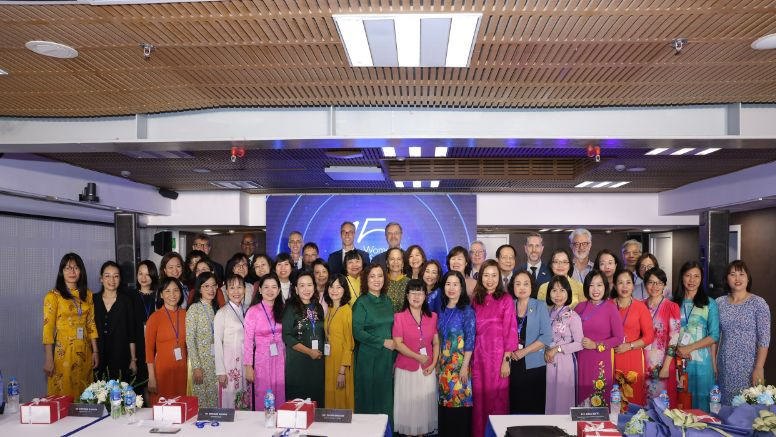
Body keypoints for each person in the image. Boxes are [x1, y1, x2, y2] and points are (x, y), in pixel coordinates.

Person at [471, 260, 518, 437]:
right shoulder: (476, 300)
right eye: (486, 275)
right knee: (479, 401)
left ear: (499, 278)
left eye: (494, 275)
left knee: (498, 401)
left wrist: (506, 361)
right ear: (480, 277)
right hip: (478, 359)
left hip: (498, 359)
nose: (489, 280)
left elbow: (510, 331)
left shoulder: (506, 299)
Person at [43, 253, 98, 399]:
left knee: (85, 394)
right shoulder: (53, 296)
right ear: (62, 271)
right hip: (63, 352)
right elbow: (48, 329)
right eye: (67, 268)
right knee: (64, 393)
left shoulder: (88, 295)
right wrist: (48, 358)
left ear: (81, 271)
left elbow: (91, 323)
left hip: (84, 351)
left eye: (76, 268)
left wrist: (95, 351)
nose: (72, 272)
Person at [717, 260, 771, 404]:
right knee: (724, 409)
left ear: (748, 278)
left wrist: (759, 368)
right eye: (732, 274)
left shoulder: (758, 303)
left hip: (749, 367)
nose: (737, 278)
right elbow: (714, 337)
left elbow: (764, 339)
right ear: (727, 278)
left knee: (747, 409)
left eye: (741, 274)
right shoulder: (719, 303)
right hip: (724, 366)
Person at [393, 279, 440, 436]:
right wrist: (418, 357)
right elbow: (398, 344)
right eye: (413, 293)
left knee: (423, 410)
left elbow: (436, 343)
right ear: (407, 296)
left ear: (425, 296)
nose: (416, 296)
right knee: (409, 410)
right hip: (406, 370)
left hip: (427, 370)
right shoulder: (399, 317)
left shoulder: (432, 317)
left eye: (420, 293)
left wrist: (433, 364)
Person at [672, 261, 719, 411]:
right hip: (676, 362)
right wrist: (678, 349)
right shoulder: (673, 303)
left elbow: (714, 336)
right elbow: (666, 333)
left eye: (696, 276)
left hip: (702, 364)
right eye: (688, 275)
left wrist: (689, 348)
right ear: (682, 277)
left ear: (701, 279)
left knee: (702, 407)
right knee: (678, 406)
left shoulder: (709, 304)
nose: (692, 280)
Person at [574, 270, 624, 406]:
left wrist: (596, 345)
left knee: (598, 399)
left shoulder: (611, 308)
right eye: (591, 285)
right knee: (581, 398)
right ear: (586, 287)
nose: (595, 289)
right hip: (581, 359)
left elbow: (619, 338)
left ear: (605, 287)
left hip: (600, 360)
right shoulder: (579, 307)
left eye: (599, 285)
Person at [352, 263, 395, 422]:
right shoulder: (361, 302)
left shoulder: (387, 300)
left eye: (380, 276)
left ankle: (387, 431)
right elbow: (357, 332)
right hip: (368, 357)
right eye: (372, 276)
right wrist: (382, 342)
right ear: (366, 280)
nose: (377, 280)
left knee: (385, 398)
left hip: (387, 357)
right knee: (368, 397)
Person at [437, 271, 476, 437]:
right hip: (444, 368)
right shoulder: (442, 309)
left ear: (461, 287)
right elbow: (439, 338)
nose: (451, 288)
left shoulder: (467, 311)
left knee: (459, 408)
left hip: (460, 367)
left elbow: (470, 341)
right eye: (448, 284)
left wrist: (464, 367)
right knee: (445, 407)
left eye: (455, 284)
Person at [508, 270, 552, 414]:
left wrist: (524, 352)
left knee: (533, 407)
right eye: (518, 284)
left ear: (532, 286)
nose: (522, 287)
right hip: (512, 363)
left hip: (534, 364)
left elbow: (546, 337)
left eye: (526, 284)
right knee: (515, 405)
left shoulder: (540, 305)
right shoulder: (509, 305)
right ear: (513, 286)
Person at [611, 269, 654, 409]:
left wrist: (629, 345)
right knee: (611, 397)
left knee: (632, 399)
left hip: (632, 356)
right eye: (620, 283)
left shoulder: (640, 307)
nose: (624, 287)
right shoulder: (608, 306)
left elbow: (649, 336)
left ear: (633, 285)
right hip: (611, 357)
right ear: (614, 285)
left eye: (628, 282)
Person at [282, 270, 325, 406]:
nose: (306, 289)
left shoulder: (318, 307)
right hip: (298, 363)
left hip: (317, 363)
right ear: (296, 289)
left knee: (316, 401)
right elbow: (287, 336)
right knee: (299, 404)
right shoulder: (290, 308)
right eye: (302, 285)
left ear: (314, 287)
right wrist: (309, 352)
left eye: (309, 285)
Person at [244, 273, 285, 411]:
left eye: (274, 287)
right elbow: (248, 341)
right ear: (260, 290)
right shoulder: (253, 311)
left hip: (280, 358)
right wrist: (248, 366)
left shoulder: (283, 309)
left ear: (279, 290)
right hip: (261, 360)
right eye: (266, 287)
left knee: (280, 392)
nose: (270, 290)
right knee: (263, 394)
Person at [544, 275, 584, 415]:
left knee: (563, 402)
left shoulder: (573, 315)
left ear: (568, 292)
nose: (558, 295)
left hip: (565, 362)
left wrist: (558, 349)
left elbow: (580, 343)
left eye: (562, 290)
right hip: (549, 361)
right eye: (554, 290)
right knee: (551, 400)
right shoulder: (548, 313)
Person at [642, 267, 680, 408]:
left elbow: (674, 339)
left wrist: (666, 367)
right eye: (651, 282)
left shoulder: (672, 307)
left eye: (659, 283)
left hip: (662, 363)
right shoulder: (639, 305)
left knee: (662, 405)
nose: (655, 286)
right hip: (642, 362)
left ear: (664, 285)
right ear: (645, 284)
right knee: (642, 405)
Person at [145, 277, 187, 404]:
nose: (172, 295)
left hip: (183, 370)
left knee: (181, 406)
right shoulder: (155, 318)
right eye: (167, 291)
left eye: (176, 290)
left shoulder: (187, 314)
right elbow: (149, 350)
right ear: (161, 295)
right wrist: (151, 377)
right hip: (162, 372)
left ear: (181, 293)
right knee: (163, 408)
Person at [94, 261, 138, 381]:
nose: (112, 280)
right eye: (107, 276)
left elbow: (131, 333)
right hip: (98, 357)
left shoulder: (127, 301)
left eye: (116, 276)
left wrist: (133, 359)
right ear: (101, 279)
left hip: (121, 356)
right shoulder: (93, 300)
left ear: (120, 279)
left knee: (120, 390)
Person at [214, 274, 250, 409]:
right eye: (232, 288)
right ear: (227, 291)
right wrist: (220, 371)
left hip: (243, 363)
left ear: (245, 289)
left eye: (239, 287)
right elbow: (217, 342)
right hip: (229, 365)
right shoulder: (222, 313)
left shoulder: (246, 311)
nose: (236, 291)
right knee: (229, 401)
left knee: (244, 401)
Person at [186, 272, 220, 408]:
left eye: (213, 285)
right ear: (199, 289)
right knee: (203, 402)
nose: (211, 289)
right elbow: (190, 339)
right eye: (206, 286)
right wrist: (196, 367)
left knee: (216, 400)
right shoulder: (194, 309)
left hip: (216, 363)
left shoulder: (217, 309)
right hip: (201, 364)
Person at [323, 274, 355, 410]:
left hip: (342, 362)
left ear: (344, 289)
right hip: (329, 359)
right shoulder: (330, 309)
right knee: (331, 396)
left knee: (341, 399)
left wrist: (342, 371)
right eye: (331, 287)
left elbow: (349, 344)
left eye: (339, 287)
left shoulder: (347, 311)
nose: (334, 290)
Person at [130, 260, 159, 399]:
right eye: (140, 274)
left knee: (156, 382)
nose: (143, 278)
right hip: (138, 343)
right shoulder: (130, 296)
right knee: (140, 383)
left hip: (156, 344)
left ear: (153, 275)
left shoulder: (159, 296)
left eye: (147, 274)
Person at [386, 247, 410, 313]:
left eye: (399, 259)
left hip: (404, 319)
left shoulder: (409, 283)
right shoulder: (381, 282)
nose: (395, 262)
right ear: (387, 263)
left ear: (403, 264)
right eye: (392, 259)